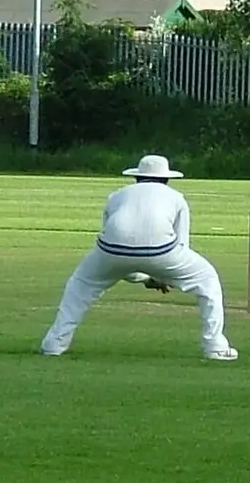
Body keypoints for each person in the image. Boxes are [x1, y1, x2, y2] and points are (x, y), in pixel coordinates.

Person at [41, 154, 235, 361]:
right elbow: (181, 245)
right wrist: (161, 276)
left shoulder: (116, 195)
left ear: (137, 177)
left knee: (79, 286)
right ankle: (215, 346)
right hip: (162, 251)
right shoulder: (176, 197)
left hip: (110, 250)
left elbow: (118, 245)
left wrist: (144, 278)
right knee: (207, 279)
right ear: (167, 179)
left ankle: (54, 344)